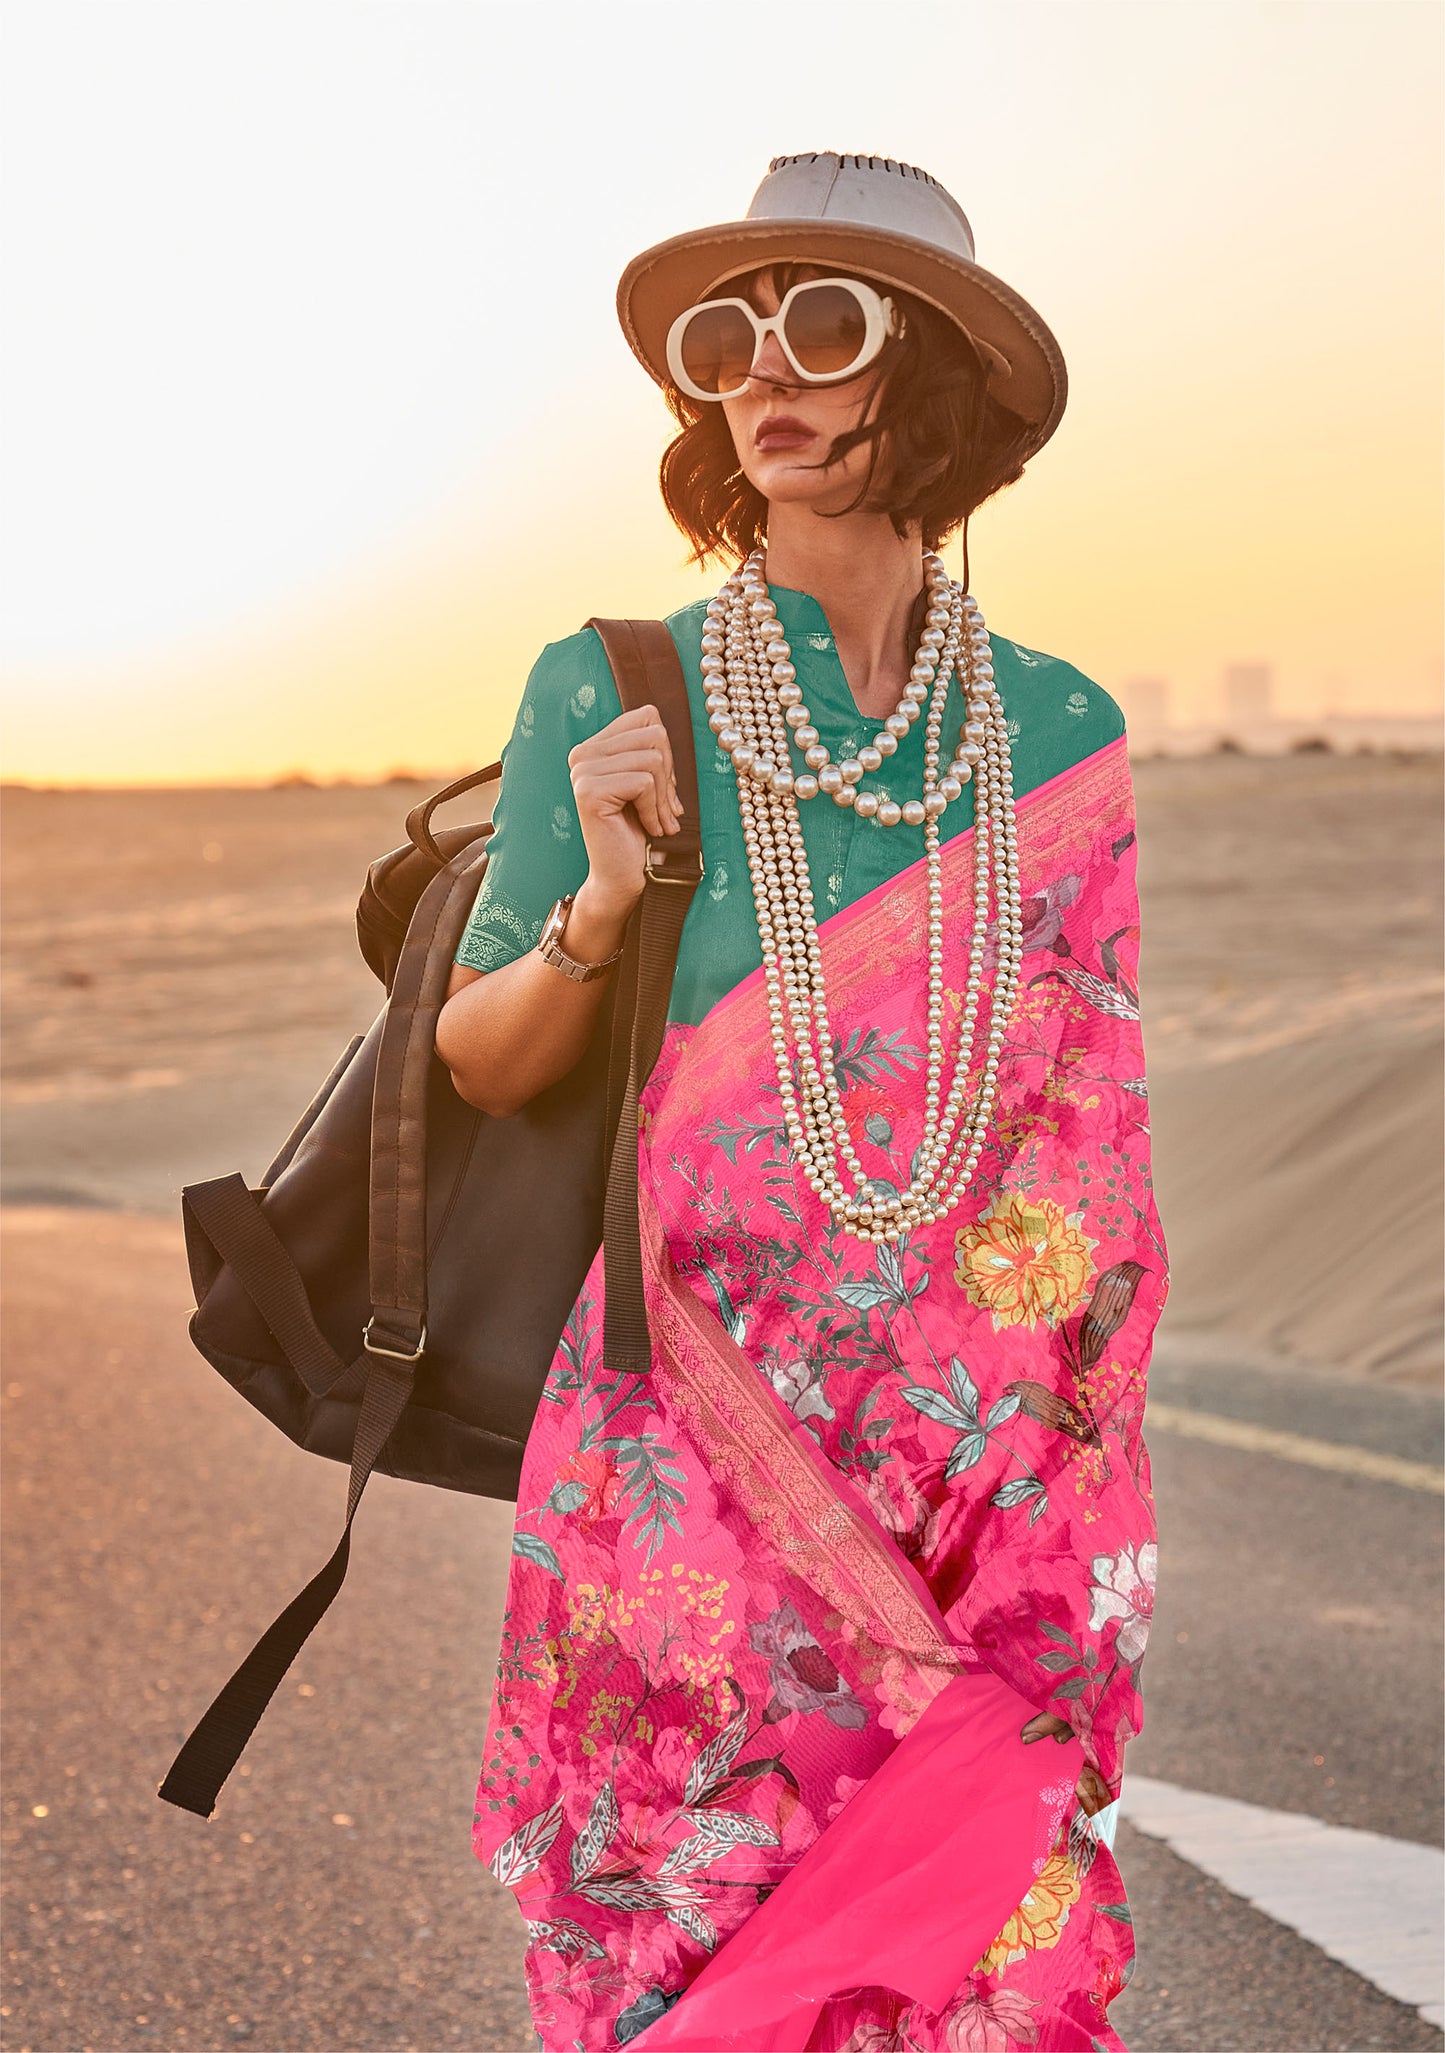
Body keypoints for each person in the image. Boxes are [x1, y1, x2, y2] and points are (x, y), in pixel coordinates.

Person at [435, 152, 1166, 2053]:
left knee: (967, 1928)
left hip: (961, 1459)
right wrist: (600, 897)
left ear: (918, 378)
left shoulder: (1060, 730)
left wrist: (1045, 1465)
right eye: (723, 336)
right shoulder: (616, 688)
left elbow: (1084, 1139)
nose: (762, 372)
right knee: (684, 1918)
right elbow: (481, 1051)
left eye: (819, 326)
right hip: (682, 1424)